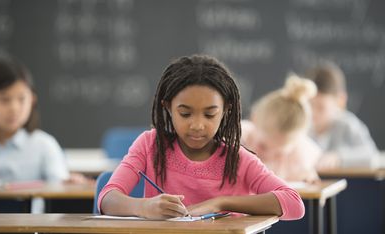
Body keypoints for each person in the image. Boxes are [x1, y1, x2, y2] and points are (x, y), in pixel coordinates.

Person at [98, 55, 304, 220]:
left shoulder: (238, 159)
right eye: (185, 114)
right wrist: (143, 206)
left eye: (209, 114)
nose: (197, 125)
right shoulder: (150, 144)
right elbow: (107, 199)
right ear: (168, 107)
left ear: (225, 111)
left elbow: (294, 204)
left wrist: (221, 203)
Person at [0, 58, 88, 184]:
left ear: (32, 100)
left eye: (21, 99)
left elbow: (60, 186)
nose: (14, 108)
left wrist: (69, 183)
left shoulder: (43, 145)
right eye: (4, 99)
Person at [241, 75, 322, 183]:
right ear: (253, 119)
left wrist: (307, 177)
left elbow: (308, 176)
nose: (268, 154)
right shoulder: (236, 137)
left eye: (279, 154)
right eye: (263, 146)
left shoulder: (298, 155)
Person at [305, 61, 378, 169]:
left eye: (321, 107)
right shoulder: (302, 127)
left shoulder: (347, 124)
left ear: (340, 100)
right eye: (309, 105)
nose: (313, 113)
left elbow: (371, 155)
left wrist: (338, 157)